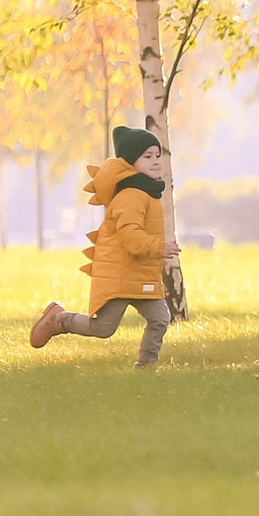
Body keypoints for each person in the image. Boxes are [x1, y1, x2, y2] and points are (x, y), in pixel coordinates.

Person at [29, 125, 179, 368]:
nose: (155, 161)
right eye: (147, 156)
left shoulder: (148, 192)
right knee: (102, 328)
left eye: (157, 155)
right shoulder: (132, 194)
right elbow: (131, 237)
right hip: (120, 274)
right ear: (130, 163)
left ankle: (146, 366)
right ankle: (60, 319)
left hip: (139, 274)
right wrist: (159, 247)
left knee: (160, 317)